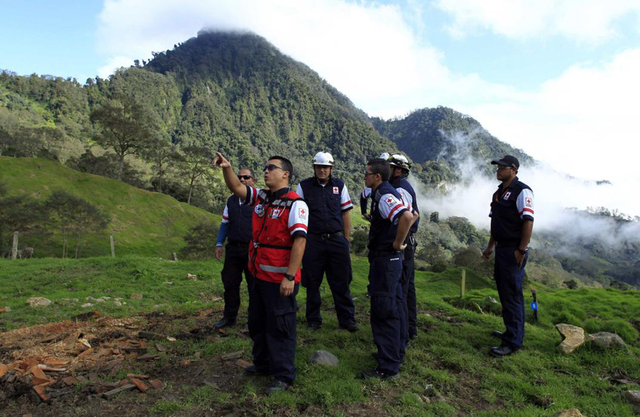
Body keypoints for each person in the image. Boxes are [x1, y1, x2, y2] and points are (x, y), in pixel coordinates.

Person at [212, 152, 308, 393]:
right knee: (257, 323)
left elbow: (300, 242)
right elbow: (236, 187)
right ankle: (263, 364)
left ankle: (284, 375)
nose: (265, 171)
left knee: (280, 327)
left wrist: (289, 276)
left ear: (285, 174)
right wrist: (227, 167)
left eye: (271, 168)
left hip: (280, 280)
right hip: (258, 276)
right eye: (264, 167)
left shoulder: (296, 203)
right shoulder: (262, 198)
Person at [361, 158, 418, 380]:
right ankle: (393, 354)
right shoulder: (382, 193)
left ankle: (387, 367)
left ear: (377, 176)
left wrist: (396, 243)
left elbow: (407, 215)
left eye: (367, 173)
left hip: (386, 260)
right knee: (393, 307)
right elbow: (412, 214)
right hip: (389, 261)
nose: (364, 177)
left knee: (384, 310)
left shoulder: (384, 195)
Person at [297, 151, 357, 332]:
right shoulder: (304, 186)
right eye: (319, 167)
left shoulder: (340, 185)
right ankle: (313, 320)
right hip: (313, 241)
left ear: (331, 168)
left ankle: (347, 320)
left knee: (341, 282)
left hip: (337, 241)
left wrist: (346, 240)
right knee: (312, 282)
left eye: (325, 167)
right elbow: (299, 212)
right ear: (314, 168)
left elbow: (345, 213)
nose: (322, 170)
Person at [482, 155, 534, 357]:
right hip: (501, 249)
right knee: (505, 293)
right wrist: (489, 248)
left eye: (502, 167)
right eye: (497, 167)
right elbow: (496, 224)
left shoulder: (522, 191)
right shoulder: (498, 194)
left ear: (514, 170)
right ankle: (510, 331)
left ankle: (513, 342)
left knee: (512, 295)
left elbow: (528, 221)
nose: (498, 170)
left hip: (513, 249)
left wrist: (521, 250)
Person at [213, 168, 255, 329]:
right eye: (240, 177)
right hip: (233, 249)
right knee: (229, 283)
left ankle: (253, 319)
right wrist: (219, 243)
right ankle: (229, 317)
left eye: (247, 177)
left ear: (253, 180)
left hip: (251, 249)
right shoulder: (231, 201)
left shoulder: (258, 200)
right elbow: (225, 223)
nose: (242, 179)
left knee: (253, 286)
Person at [387, 153, 420, 343]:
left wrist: (398, 242)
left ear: (398, 170)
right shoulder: (400, 187)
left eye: (389, 167)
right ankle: (409, 330)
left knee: (402, 290)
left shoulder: (400, 189)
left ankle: (403, 334)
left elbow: (409, 216)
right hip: (407, 242)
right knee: (407, 289)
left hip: (404, 244)